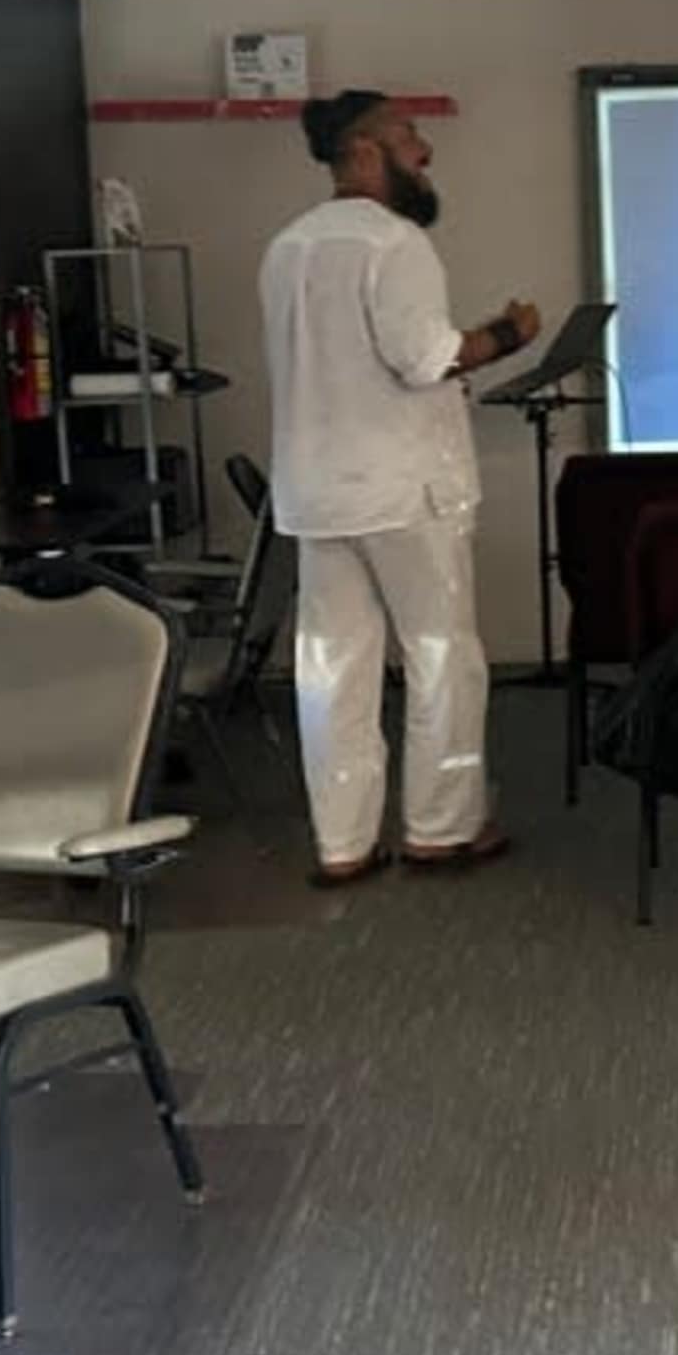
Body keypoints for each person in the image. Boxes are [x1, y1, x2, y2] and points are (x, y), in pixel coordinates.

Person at [263, 91, 540, 886]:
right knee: (442, 655)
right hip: (403, 490)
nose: (426, 151)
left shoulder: (286, 247)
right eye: (409, 137)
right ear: (361, 152)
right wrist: (510, 334)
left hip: (316, 493)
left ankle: (342, 844)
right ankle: (440, 829)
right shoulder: (395, 243)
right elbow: (425, 359)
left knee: (334, 669)